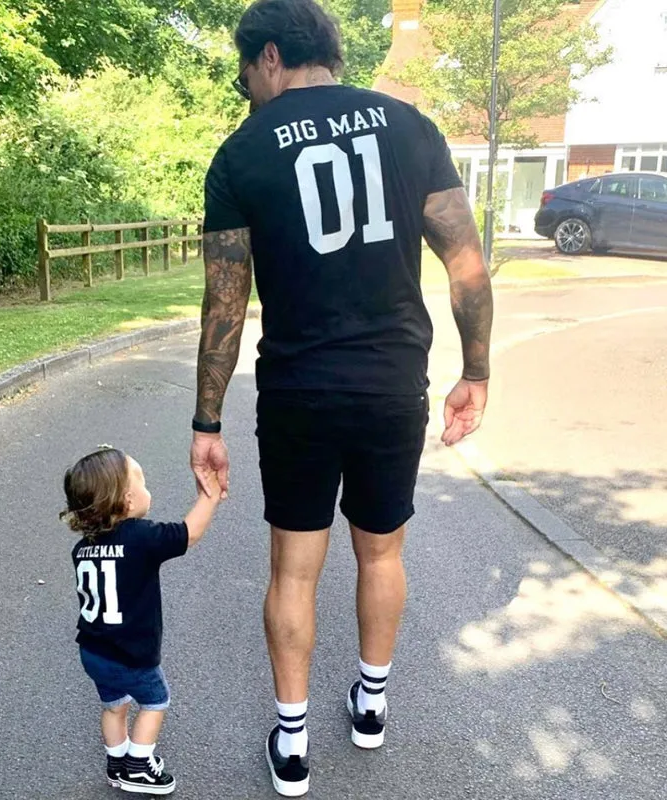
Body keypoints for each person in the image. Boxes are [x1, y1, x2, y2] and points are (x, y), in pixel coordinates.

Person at [190, 0, 494, 795]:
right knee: (382, 550)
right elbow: (466, 263)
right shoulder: (411, 127)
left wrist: (207, 420)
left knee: (295, 569)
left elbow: (225, 304)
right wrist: (477, 371)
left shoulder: (241, 154)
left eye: (243, 71)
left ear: (267, 58)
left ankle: (291, 745)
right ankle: (371, 704)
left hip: (299, 390)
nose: (245, 86)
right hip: (394, 384)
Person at [62, 447, 221, 795]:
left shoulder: (82, 548)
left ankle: (116, 762)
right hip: (130, 653)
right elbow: (188, 533)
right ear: (128, 500)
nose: (149, 490)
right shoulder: (141, 537)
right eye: (143, 482)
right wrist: (210, 496)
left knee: (114, 705)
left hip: (92, 651)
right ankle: (138, 765)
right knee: (154, 702)